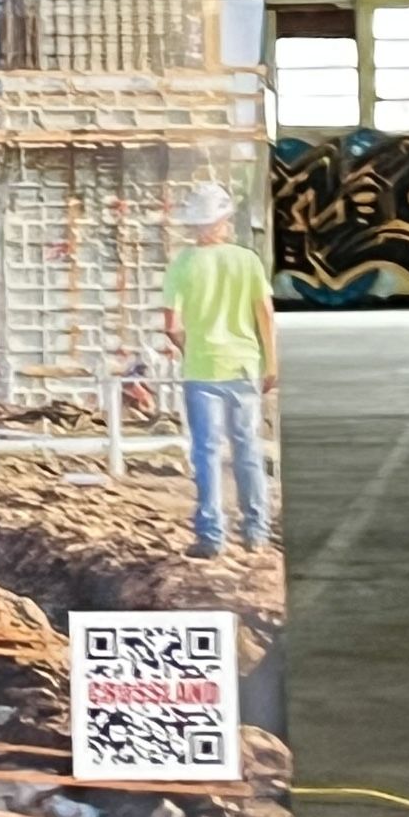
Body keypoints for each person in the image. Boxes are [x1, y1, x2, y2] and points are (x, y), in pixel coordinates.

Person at [160, 185, 276, 555]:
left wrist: (190, 347)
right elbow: (265, 317)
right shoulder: (248, 261)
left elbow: (172, 325)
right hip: (243, 366)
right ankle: (256, 533)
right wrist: (271, 363)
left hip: (202, 370)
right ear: (223, 220)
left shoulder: (181, 265)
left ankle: (212, 537)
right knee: (248, 451)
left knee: (206, 453)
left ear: (195, 225)